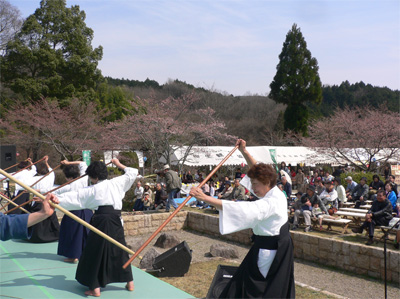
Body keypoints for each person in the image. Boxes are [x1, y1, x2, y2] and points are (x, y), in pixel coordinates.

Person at [189, 139, 295, 298]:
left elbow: (240, 209)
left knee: (254, 290)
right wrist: (244, 151)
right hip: (273, 247)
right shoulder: (274, 190)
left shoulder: (270, 203)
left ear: (266, 182)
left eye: (255, 184)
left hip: (269, 252)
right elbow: (256, 168)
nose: (252, 188)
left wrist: (205, 198)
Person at [51, 159, 137, 297]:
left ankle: (95, 288)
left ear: (94, 177)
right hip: (116, 221)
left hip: (101, 222)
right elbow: (132, 172)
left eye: (91, 177)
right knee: (119, 250)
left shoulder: (92, 190)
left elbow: (75, 197)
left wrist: (55, 199)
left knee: (94, 253)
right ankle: (130, 282)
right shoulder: (116, 183)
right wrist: (118, 163)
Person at [53, 160, 92, 263]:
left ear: (68, 177)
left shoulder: (67, 187)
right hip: (87, 211)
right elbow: (83, 163)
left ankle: (73, 256)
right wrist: (68, 162)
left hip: (74, 212)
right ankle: (86, 254)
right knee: (85, 233)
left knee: (72, 233)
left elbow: (52, 192)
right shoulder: (84, 178)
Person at [26, 156, 59, 243]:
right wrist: (46, 162)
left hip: (37, 200)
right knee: (49, 215)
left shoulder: (34, 179)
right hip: (48, 200)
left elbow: (27, 185)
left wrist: (31, 163)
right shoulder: (50, 177)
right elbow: (51, 170)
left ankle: (35, 236)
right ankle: (52, 235)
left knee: (37, 216)